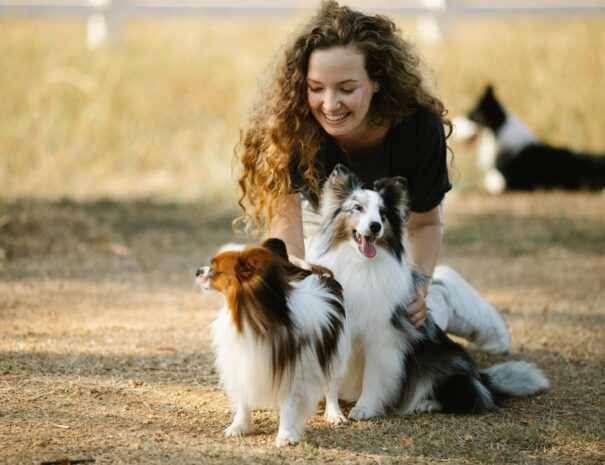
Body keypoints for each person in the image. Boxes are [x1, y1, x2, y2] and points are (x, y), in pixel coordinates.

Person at [235, 0, 509, 354]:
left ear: (377, 80)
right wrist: (295, 272)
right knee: (326, 326)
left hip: (395, 231)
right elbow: (285, 230)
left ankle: (446, 294)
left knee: (397, 323)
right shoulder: (288, 126)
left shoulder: (418, 129)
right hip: (325, 221)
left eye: (346, 88)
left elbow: (424, 224)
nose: (330, 104)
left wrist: (417, 285)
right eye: (316, 87)